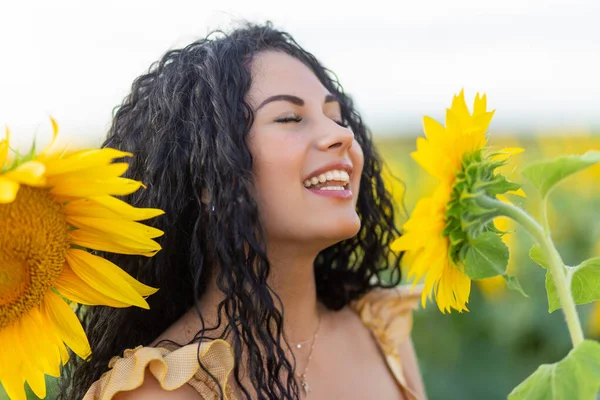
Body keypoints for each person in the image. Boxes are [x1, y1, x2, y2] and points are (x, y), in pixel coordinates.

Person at [62, 22, 427, 400]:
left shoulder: (381, 331)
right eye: (289, 118)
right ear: (208, 173)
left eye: (336, 117)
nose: (343, 135)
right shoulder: (161, 392)